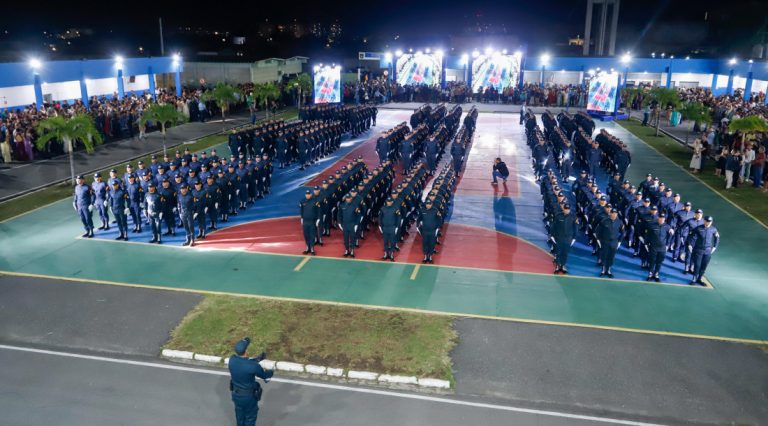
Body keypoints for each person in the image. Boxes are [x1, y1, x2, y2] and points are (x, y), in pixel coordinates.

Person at [228, 337, 273, 426]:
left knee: (240, 418)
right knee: (250, 418)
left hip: (236, 395)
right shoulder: (253, 366)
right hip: (248, 398)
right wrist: (272, 371)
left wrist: (257, 359)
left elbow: (244, 363)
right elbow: (264, 376)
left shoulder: (232, 360)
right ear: (246, 351)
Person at [686, 216, 720, 285]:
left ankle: (699, 279)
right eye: (707, 221)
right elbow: (690, 235)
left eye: (710, 222)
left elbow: (717, 237)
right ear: (704, 221)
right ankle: (694, 279)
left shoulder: (713, 229)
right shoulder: (698, 228)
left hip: (707, 250)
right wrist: (689, 244)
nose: (708, 223)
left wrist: (715, 246)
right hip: (698, 250)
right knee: (697, 265)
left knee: (704, 266)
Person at [644, 213, 674, 282]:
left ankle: (656, 275)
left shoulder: (667, 226)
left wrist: (668, 245)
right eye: (660, 218)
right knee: (652, 261)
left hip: (662, 248)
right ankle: (650, 274)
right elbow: (647, 235)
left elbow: (670, 235)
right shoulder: (652, 225)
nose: (661, 219)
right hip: (653, 247)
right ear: (658, 218)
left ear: (664, 219)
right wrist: (646, 244)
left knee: (659, 261)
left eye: (663, 218)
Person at [597, 208, 624, 278]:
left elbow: (623, 232)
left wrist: (620, 241)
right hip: (605, 241)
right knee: (604, 255)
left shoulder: (619, 222)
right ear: (610, 213)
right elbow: (598, 230)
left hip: (614, 242)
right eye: (613, 213)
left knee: (611, 256)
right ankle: (603, 270)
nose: (614, 215)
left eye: (615, 213)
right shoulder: (604, 221)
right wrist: (598, 240)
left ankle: (608, 270)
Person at [552, 204, 577, 274]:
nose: (567, 210)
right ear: (563, 209)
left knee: (565, 253)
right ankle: (557, 266)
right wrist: (552, 235)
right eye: (566, 209)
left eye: (568, 209)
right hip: (559, 237)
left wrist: (574, 238)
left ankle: (562, 265)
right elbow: (554, 226)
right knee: (558, 252)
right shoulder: (558, 216)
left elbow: (575, 228)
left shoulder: (573, 217)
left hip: (568, 238)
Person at [378, 197, 401, 261]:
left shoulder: (395, 208)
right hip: (385, 227)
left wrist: (397, 227)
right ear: (386, 202)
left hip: (392, 227)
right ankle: (386, 254)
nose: (389, 203)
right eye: (388, 201)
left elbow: (399, 218)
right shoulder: (383, 208)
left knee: (392, 242)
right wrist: (380, 225)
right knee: (385, 241)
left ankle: (391, 255)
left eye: (390, 201)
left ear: (392, 202)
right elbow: (380, 217)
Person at [338, 193, 360, 258]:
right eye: (347, 198)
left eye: (349, 198)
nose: (348, 199)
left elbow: (358, 216)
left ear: (351, 198)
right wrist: (339, 223)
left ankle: (352, 250)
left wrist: (356, 224)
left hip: (352, 224)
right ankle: (347, 250)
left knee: (352, 238)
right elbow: (339, 215)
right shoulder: (342, 205)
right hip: (345, 224)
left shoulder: (355, 206)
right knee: (346, 238)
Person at [299, 189, 320, 255]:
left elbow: (318, 211)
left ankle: (312, 248)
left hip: (312, 221)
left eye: (308, 194)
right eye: (306, 194)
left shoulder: (315, 201)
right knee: (306, 235)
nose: (307, 195)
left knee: (312, 235)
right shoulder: (302, 201)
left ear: (311, 194)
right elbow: (301, 210)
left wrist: (318, 219)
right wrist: (302, 218)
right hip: (305, 221)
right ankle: (307, 247)